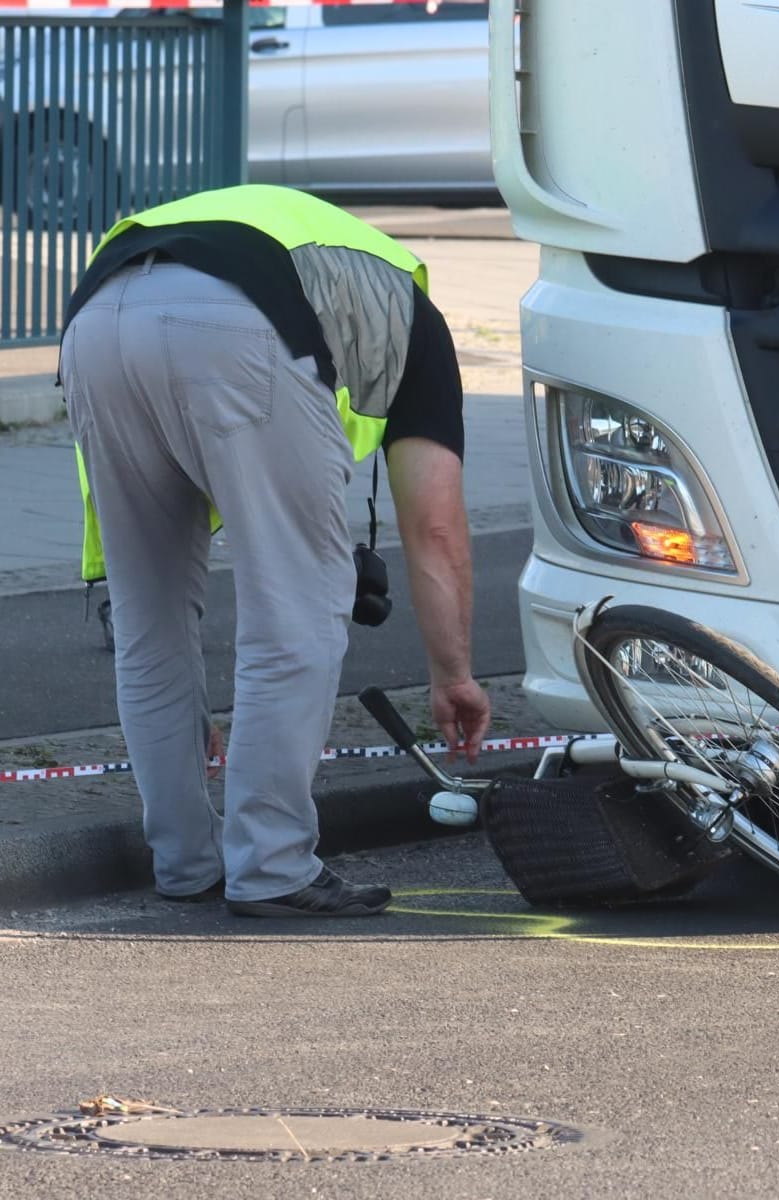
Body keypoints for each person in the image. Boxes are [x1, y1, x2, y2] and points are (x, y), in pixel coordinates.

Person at [59, 184, 492, 918]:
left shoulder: (325, 259)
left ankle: (185, 862)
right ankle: (272, 864)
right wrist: (453, 673)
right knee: (296, 610)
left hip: (93, 321)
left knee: (148, 621)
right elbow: (438, 526)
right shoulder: (413, 318)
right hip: (236, 323)